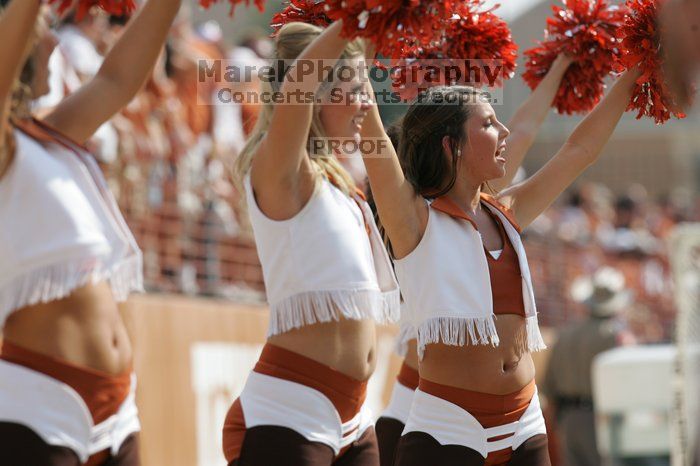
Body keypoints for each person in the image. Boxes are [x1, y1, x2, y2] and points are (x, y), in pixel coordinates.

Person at [360, 52, 641, 464]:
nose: (505, 130)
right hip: (447, 427)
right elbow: (376, 145)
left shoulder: (505, 211)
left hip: (524, 424)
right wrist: (349, 40)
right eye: (489, 123)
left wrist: (637, 72)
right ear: (451, 145)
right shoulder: (413, 221)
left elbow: (579, 150)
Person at [0, 0, 182, 464]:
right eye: (44, 30)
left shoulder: (49, 134)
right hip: (40, 402)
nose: (56, 40)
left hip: (117, 407)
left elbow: (117, 80)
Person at [222, 20, 400, 466]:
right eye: (358, 89)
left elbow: (379, 150)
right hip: (290, 409)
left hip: (355, 416)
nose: (367, 104)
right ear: (317, 91)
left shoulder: (340, 183)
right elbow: (299, 81)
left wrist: (371, 25)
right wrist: (352, 15)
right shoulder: (281, 169)